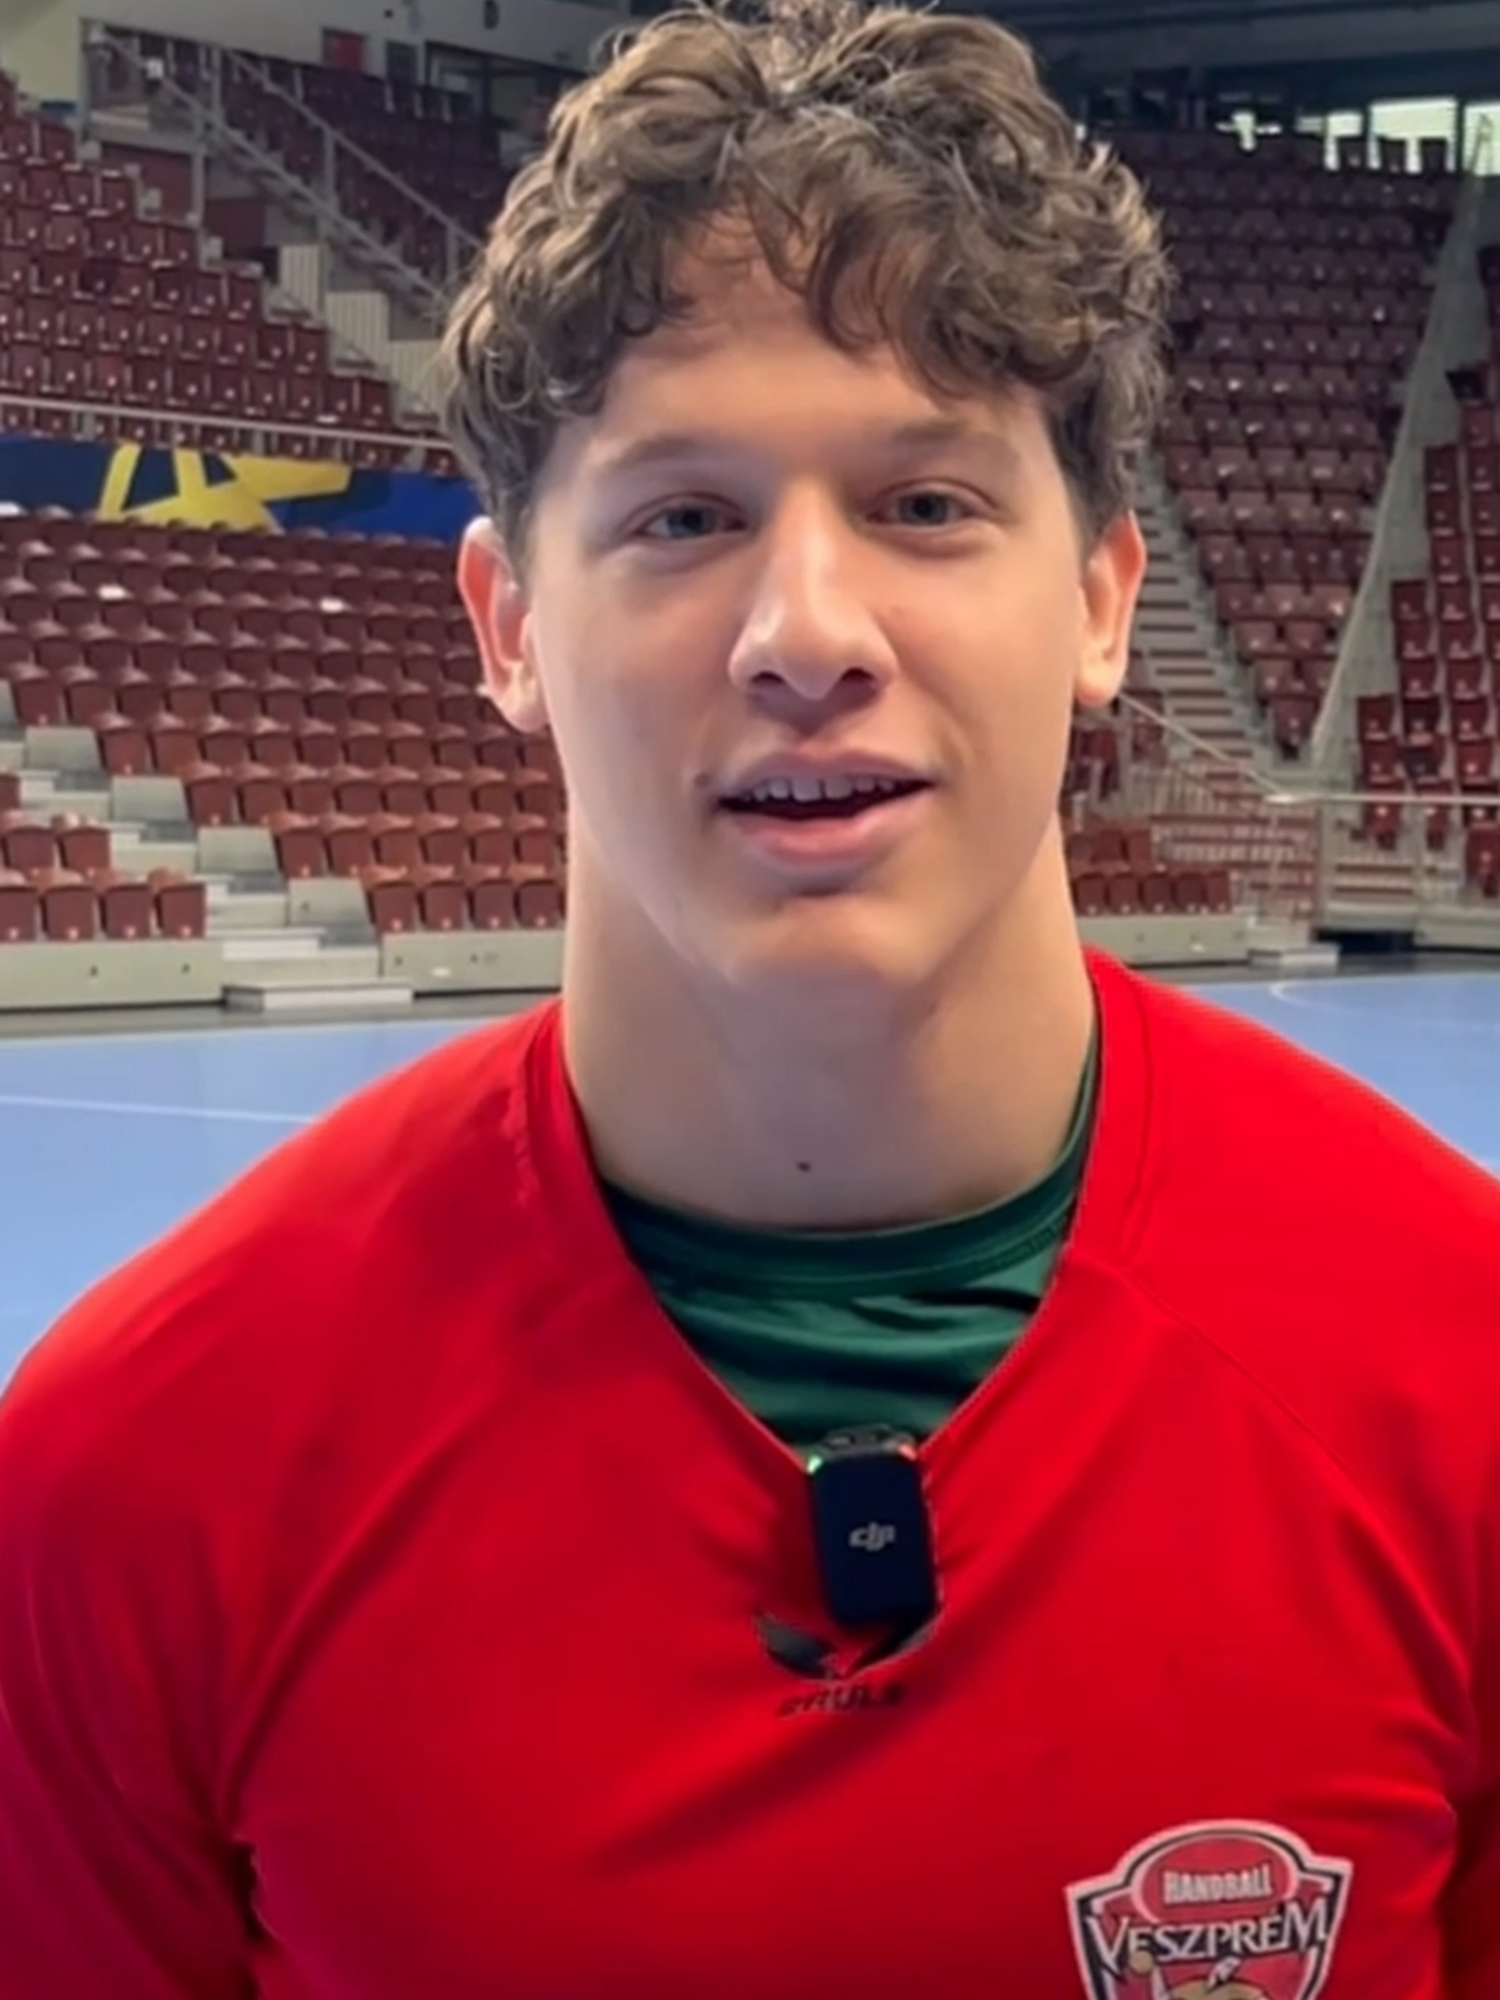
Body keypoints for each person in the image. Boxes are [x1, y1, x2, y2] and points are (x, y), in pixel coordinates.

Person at [1, 2, 1498, 1995]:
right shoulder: (129, 1476)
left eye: (927, 503)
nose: (806, 634)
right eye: (683, 517)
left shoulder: (1461, 1370)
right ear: (509, 624)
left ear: (1102, 600)